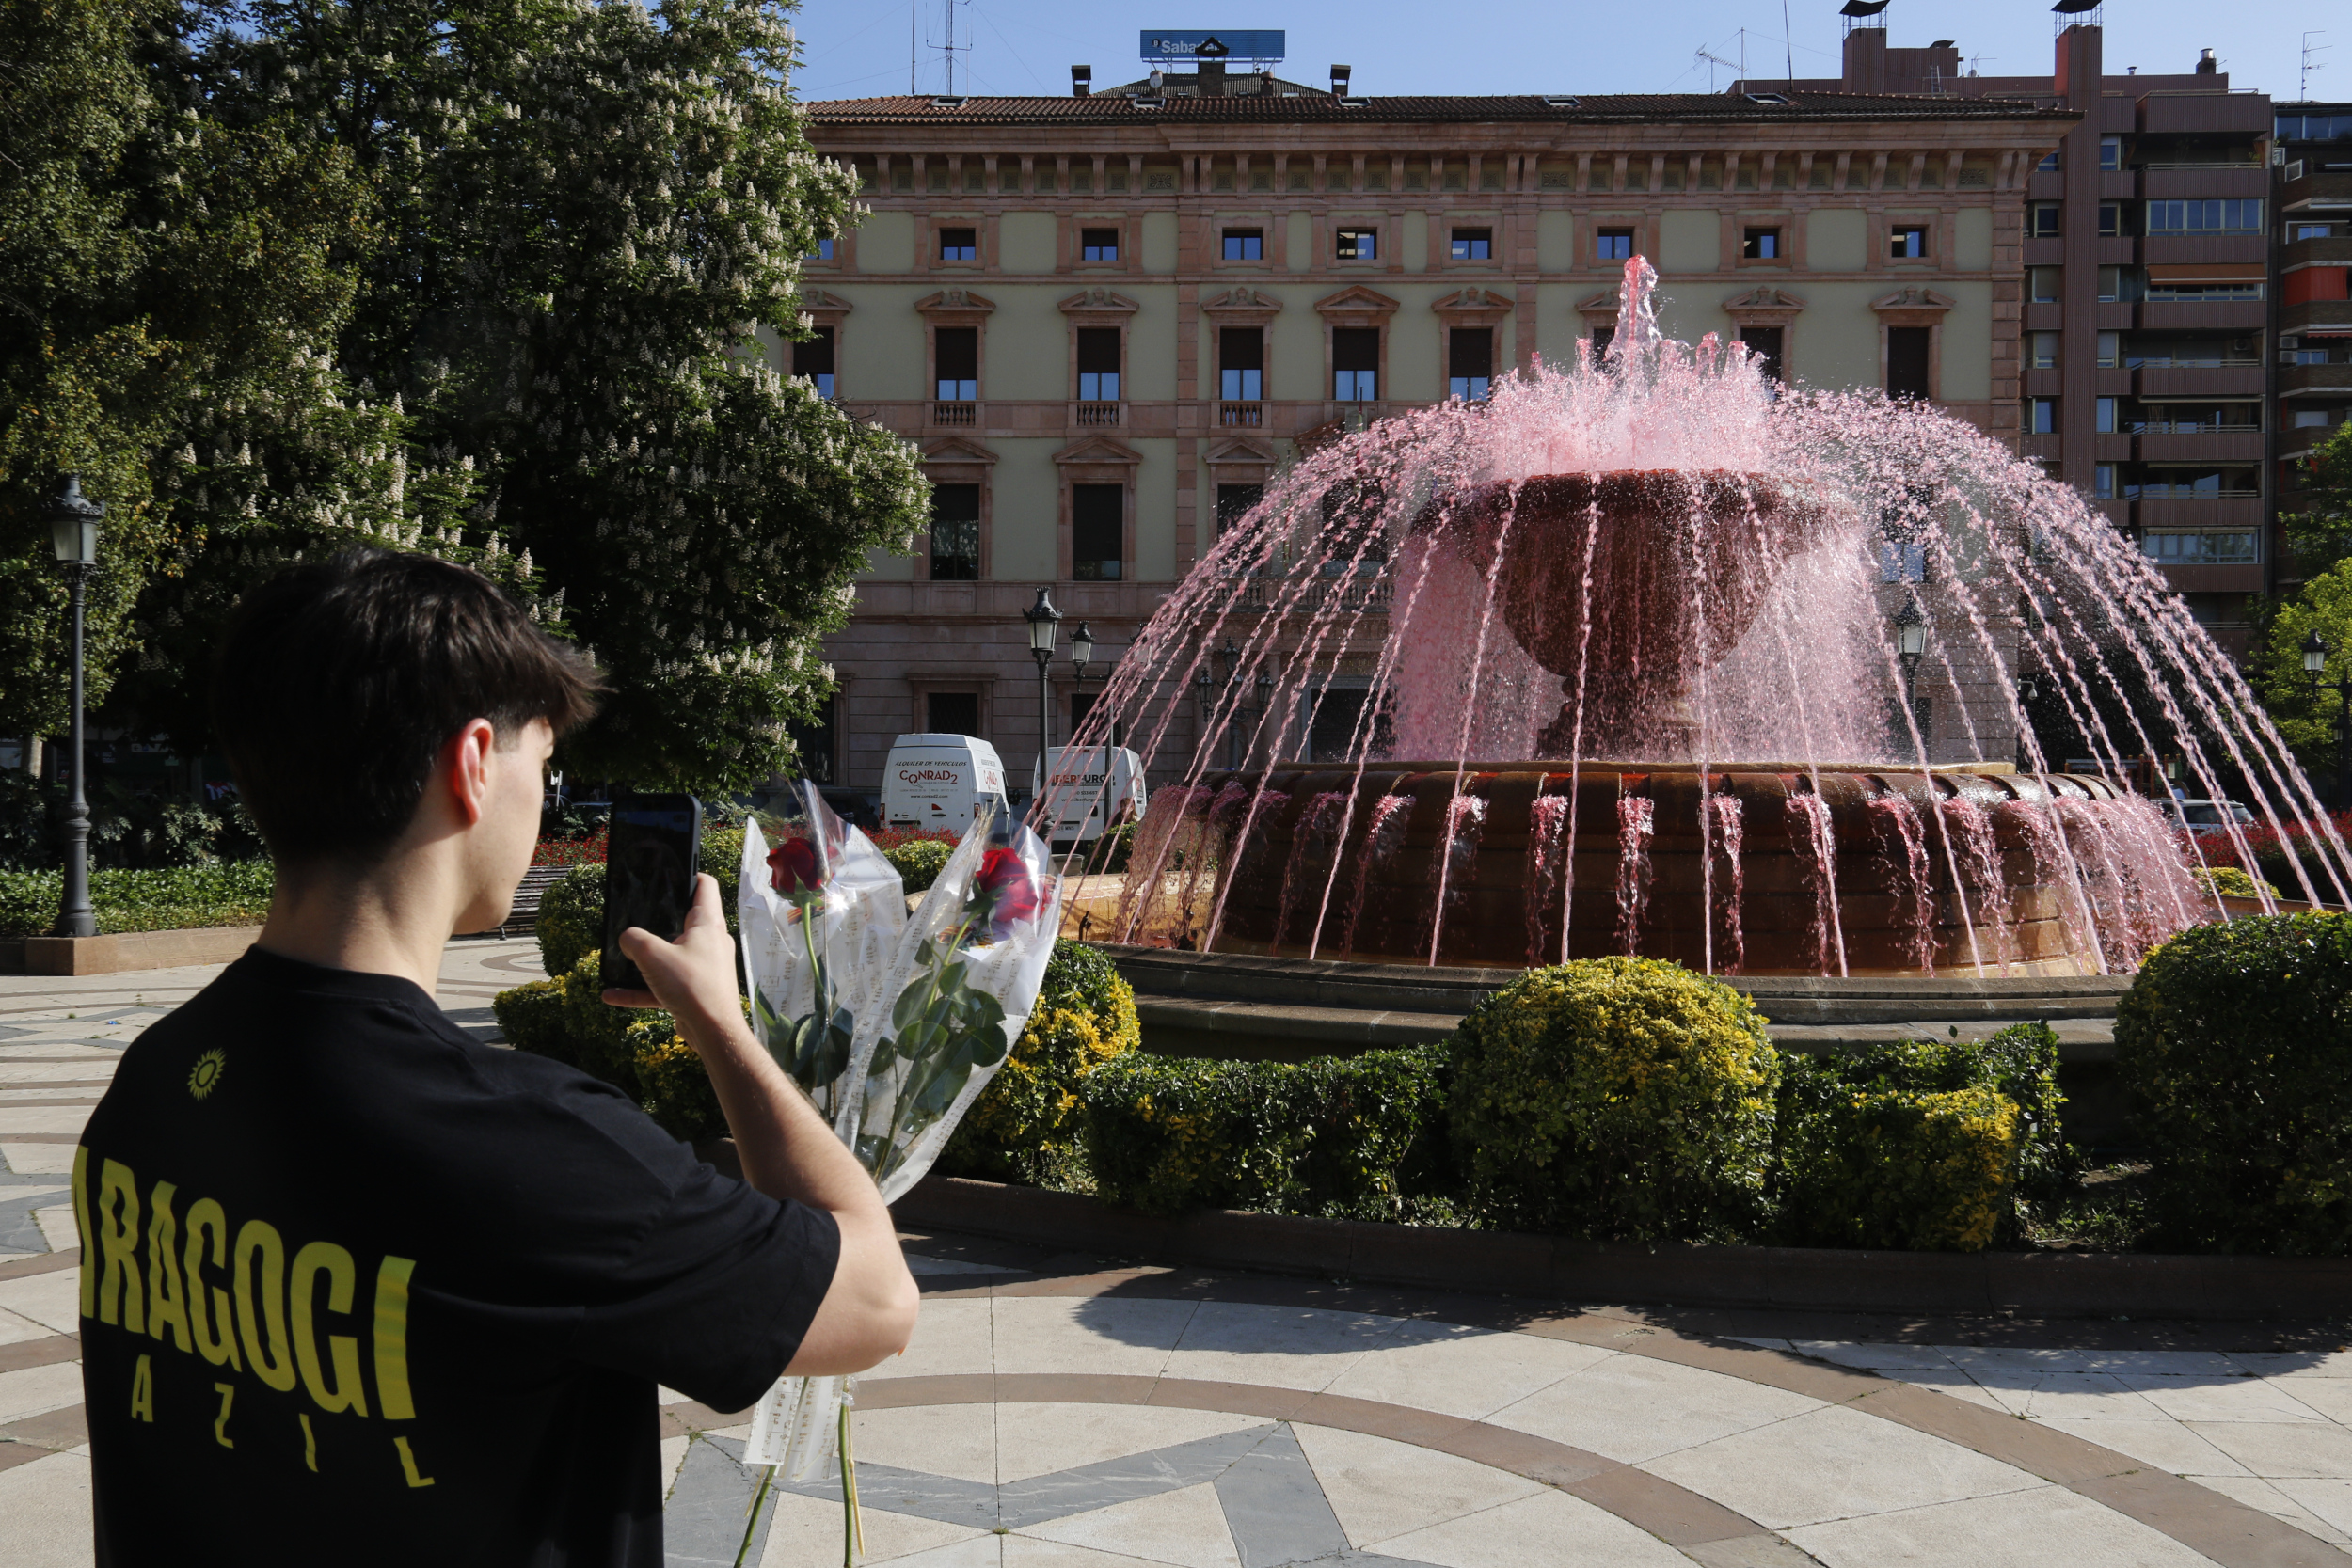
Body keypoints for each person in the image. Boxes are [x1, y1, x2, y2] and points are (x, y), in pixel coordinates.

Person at [72, 549, 917, 1565]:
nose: (542, 795)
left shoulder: (155, 1080)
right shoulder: (535, 1146)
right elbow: (872, 1298)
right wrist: (721, 1026)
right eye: (543, 763)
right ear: (473, 762)